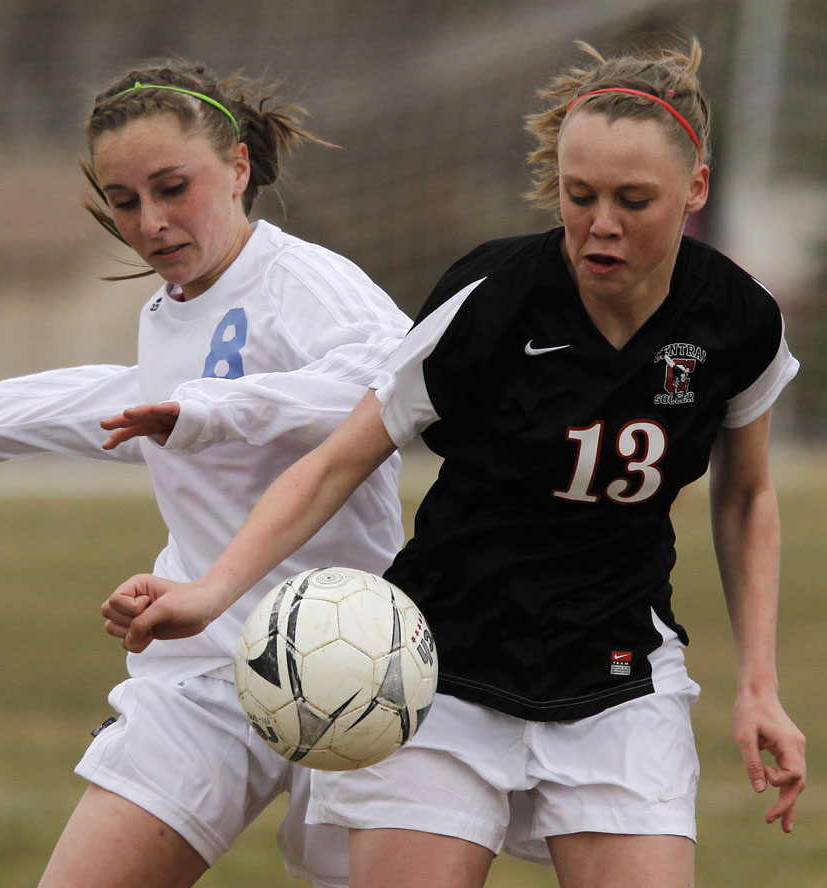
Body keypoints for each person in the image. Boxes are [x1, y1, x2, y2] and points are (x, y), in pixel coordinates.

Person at [102, 39, 807, 888]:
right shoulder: (493, 298)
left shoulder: (739, 319)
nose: (602, 224)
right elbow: (336, 464)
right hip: (442, 673)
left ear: (695, 190)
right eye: (579, 196)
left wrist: (759, 686)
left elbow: (748, 496)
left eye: (634, 199)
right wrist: (210, 592)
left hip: (617, 671)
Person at [0, 60, 411, 888]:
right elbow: (136, 406)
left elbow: (388, 388)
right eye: (125, 201)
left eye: (173, 188)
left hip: (346, 656)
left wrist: (213, 409)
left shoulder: (305, 283)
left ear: (239, 166)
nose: (151, 223)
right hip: (201, 655)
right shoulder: (167, 311)